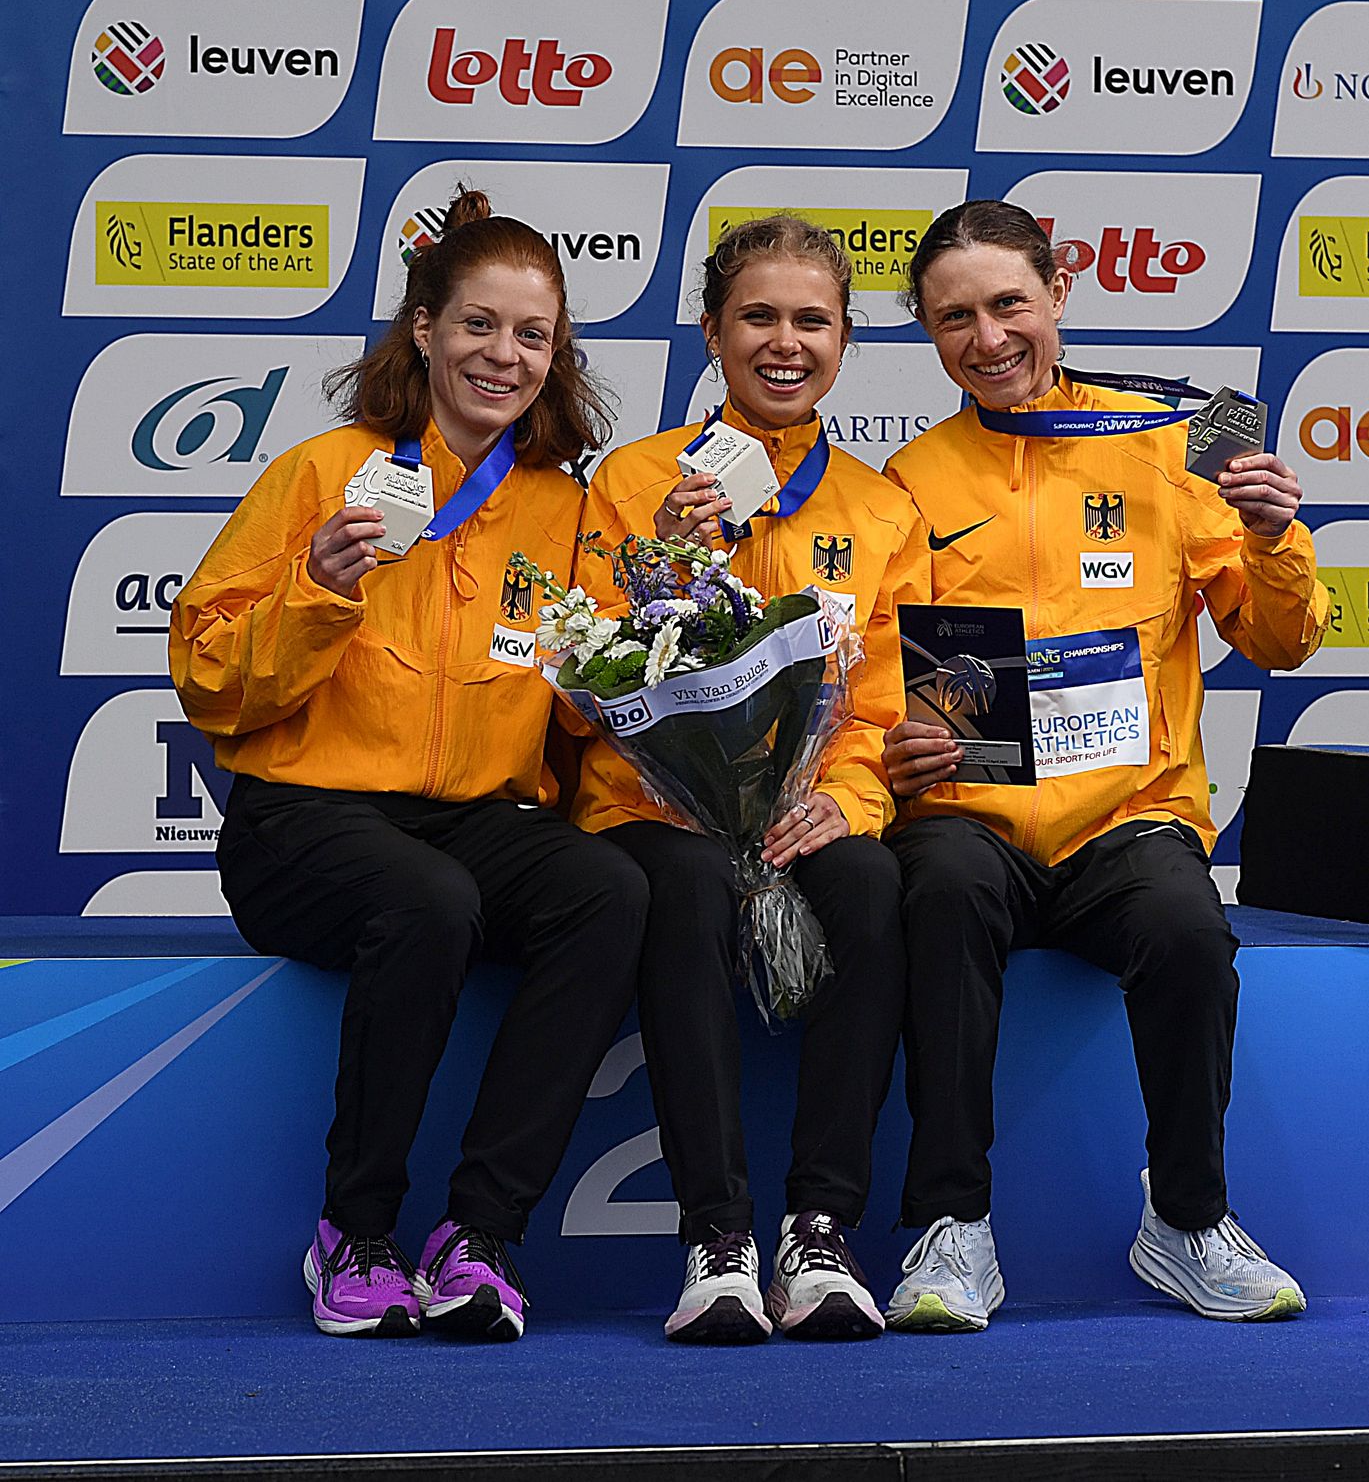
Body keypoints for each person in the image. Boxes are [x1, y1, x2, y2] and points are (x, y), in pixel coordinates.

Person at [169, 188, 648, 1342]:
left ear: (556, 355)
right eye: (478, 324)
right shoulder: (322, 473)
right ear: (423, 328)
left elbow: (579, 698)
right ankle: (355, 1231)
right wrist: (316, 591)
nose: (503, 356)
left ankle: (479, 1234)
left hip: (475, 819)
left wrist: (630, 667)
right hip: (306, 821)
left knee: (606, 892)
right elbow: (209, 677)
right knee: (429, 901)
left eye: (532, 335)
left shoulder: (560, 507)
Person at [878, 200, 1328, 1330]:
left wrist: (1272, 536)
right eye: (954, 318)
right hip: (971, 815)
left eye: (1008, 304)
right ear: (928, 333)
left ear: (1058, 292)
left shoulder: (1168, 445)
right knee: (937, 893)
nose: (987, 338)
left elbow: (1277, 640)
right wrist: (894, 744)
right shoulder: (911, 477)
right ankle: (950, 1227)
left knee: (1187, 933)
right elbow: (880, 668)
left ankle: (1186, 1221)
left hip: (1129, 815)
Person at [572, 215, 929, 1344]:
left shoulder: (880, 508)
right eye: (758, 317)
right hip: (649, 806)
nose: (785, 343)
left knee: (872, 885)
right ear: (711, 333)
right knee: (681, 887)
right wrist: (666, 567)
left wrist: (847, 800)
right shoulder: (634, 480)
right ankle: (716, 1239)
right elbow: (579, 675)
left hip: (805, 806)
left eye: (811, 321)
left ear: (843, 340)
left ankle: (820, 1230)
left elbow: (885, 702)